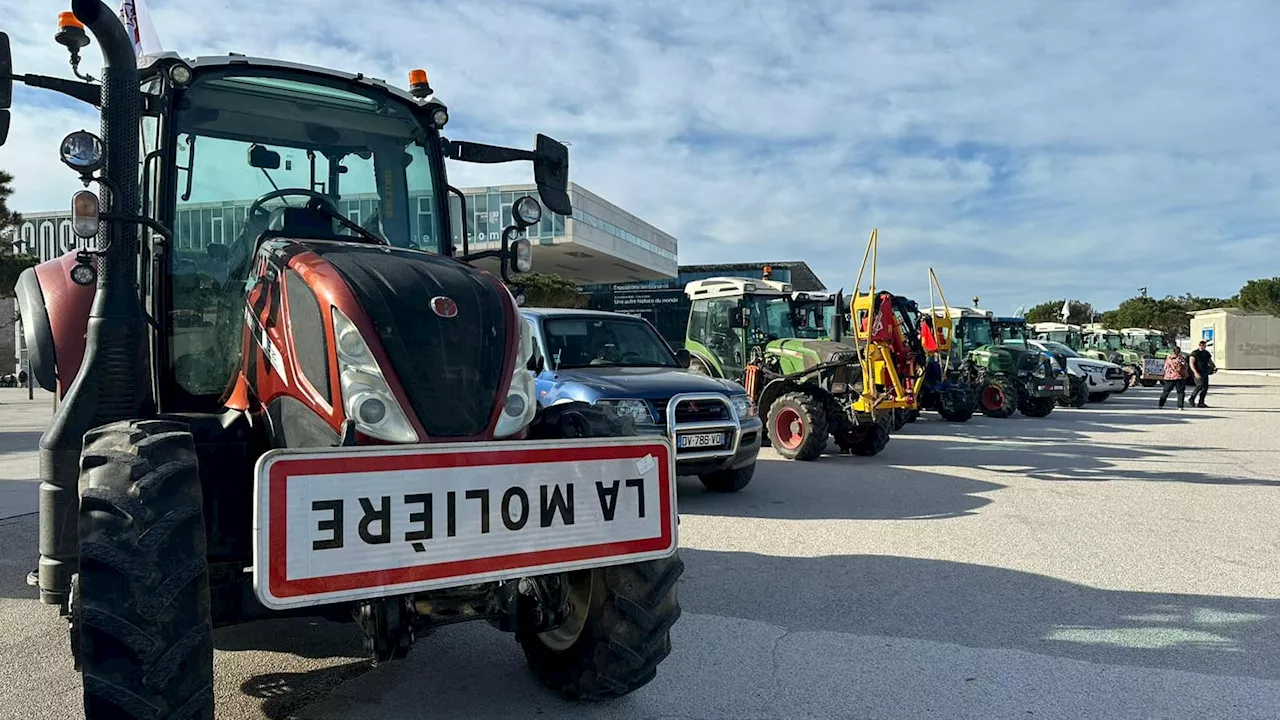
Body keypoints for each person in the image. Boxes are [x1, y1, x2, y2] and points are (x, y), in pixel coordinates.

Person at [1188, 340, 1213, 408]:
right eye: (1201, 345)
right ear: (1199, 345)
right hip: (1197, 372)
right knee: (1199, 385)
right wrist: (1195, 372)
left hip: (1205, 372)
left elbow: (1210, 361)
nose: (1202, 347)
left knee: (1205, 387)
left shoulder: (1206, 353)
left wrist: (1213, 367)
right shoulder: (1194, 353)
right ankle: (1192, 398)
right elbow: (1191, 363)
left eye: (1204, 346)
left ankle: (1201, 402)